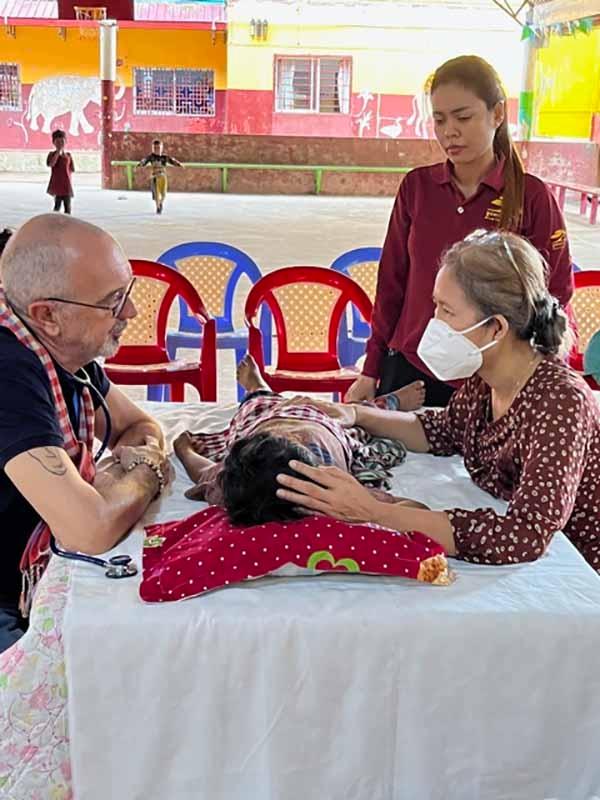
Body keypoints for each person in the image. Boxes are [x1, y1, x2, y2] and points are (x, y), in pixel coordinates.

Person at [276, 230, 600, 574]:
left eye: (447, 311)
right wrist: (356, 414)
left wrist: (377, 512)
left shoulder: (560, 403)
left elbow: (526, 535)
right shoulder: (486, 377)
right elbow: (440, 431)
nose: (434, 323)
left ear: (496, 329)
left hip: (581, 571)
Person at [345, 55, 574, 408]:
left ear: (497, 114)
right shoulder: (417, 188)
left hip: (493, 378)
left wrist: (532, 372)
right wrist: (371, 369)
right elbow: (391, 283)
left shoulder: (531, 197)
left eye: (463, 117)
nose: (449, 131)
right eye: (439, 119)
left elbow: (555, 291)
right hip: (413, 367)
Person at [0, 214, 171, 653]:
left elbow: (140, 427)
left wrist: (115, 485)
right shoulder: (9, 370)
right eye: (114, 301)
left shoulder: (64, 352)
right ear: (48, 315)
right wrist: (145, 472)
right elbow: (88, 529)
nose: (131, 312)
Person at [173, 354, 410, 526]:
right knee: (357, 425)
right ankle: (387, 404)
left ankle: (258, 387)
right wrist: (375, 510)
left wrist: (184, 449)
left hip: (265, 421)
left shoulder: (234, 484)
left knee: (254, 407)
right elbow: (412, 509)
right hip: (320, 424)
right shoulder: (333, 491)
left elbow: (203, 471)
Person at [136, 139, 183, 214]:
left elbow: (172, 161)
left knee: (163, 194)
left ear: (161, 148)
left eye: (158, 148)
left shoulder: (164, 157)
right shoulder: (151, 157)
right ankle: (158, 207)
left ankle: (161, 203)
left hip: (163, 177)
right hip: (155, 177)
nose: (157, 150)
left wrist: (179, 164)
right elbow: (144, 160)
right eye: (155, 148)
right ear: (152, 148)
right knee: (156, 194)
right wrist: (140, 165)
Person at [46, 130, 75, 215]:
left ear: (65, 142)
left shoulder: (68, 155)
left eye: (62, 141)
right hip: (57, 185)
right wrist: (58, 152)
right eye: (57, 141)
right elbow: (51, 164)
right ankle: (55, 223)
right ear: (53, 143)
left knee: (68, 207)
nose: (60, 143)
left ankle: (68, 224)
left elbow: (72, 169)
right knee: (57, 205)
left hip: (66, 185)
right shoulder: (52, 154)